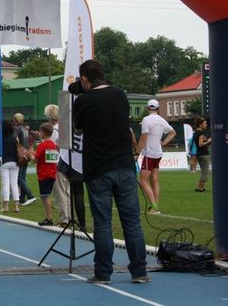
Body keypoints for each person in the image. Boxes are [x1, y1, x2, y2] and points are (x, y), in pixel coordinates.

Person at [73, 59, 149, 284]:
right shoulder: (120, 95)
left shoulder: (83, 101)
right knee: (132, 221)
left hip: (98, 168)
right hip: (124, 165)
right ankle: (140, 271)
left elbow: (78, 128)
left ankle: (103, 272)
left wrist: (81, 96)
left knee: (103, 223)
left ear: (84, 79)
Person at [137, 99, 176, 215]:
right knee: (154, 180)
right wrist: (164, 143)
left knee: (143, 181)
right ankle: (156, 205)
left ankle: (154, 206)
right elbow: (173, 133)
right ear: (158, 109)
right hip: (158, 153)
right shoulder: (162, 120)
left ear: (147, 108)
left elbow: (143, 137)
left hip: (149, 153)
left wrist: (137, 152)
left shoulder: (146, 120)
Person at [43, 104, 71, 227]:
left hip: (57, 163)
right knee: (67, 192)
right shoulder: (65, 127)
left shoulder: (53, 130)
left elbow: (51, 149)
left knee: (60, 192)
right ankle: (69, 216)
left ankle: (64, 219)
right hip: (68, 162)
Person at [34, 123, 58, 226]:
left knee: (45, 196)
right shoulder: (53, 145)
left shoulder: (42, 146)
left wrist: (30, 155)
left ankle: (49, 218)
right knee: (46, 196)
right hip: (52, 173)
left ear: (43, 133)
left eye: (40, 131)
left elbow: (35, 159)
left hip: (44, 174)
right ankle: (48, 218)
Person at [13, 113, 36, 206]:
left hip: (21, 154)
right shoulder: (24, 129)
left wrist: (18, 148)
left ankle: (30, 195)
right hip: (26, 154)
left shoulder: (17, 128)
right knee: (22, 177)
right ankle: (22, 199)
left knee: (18, 178)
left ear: (15, 120)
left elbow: (14, 139)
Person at [0, 120, 20, 213]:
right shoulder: (14, 138)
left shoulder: (0, 139)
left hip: (4, 162)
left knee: (5, 183)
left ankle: (6, 206)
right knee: (14, 184)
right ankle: (16, 206)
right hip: (15, 162)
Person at [193, 117, 212, 192]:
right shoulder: (200, 133)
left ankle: (201, 187)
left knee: (204, 171)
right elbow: (200, 144)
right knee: (205, 171)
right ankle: (200, 188)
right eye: (205, 123)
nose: (206, 124)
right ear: (200, 124)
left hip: (200, 153)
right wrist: (209, 141)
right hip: (203, 154)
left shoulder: (196, 132)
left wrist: (208, 142)